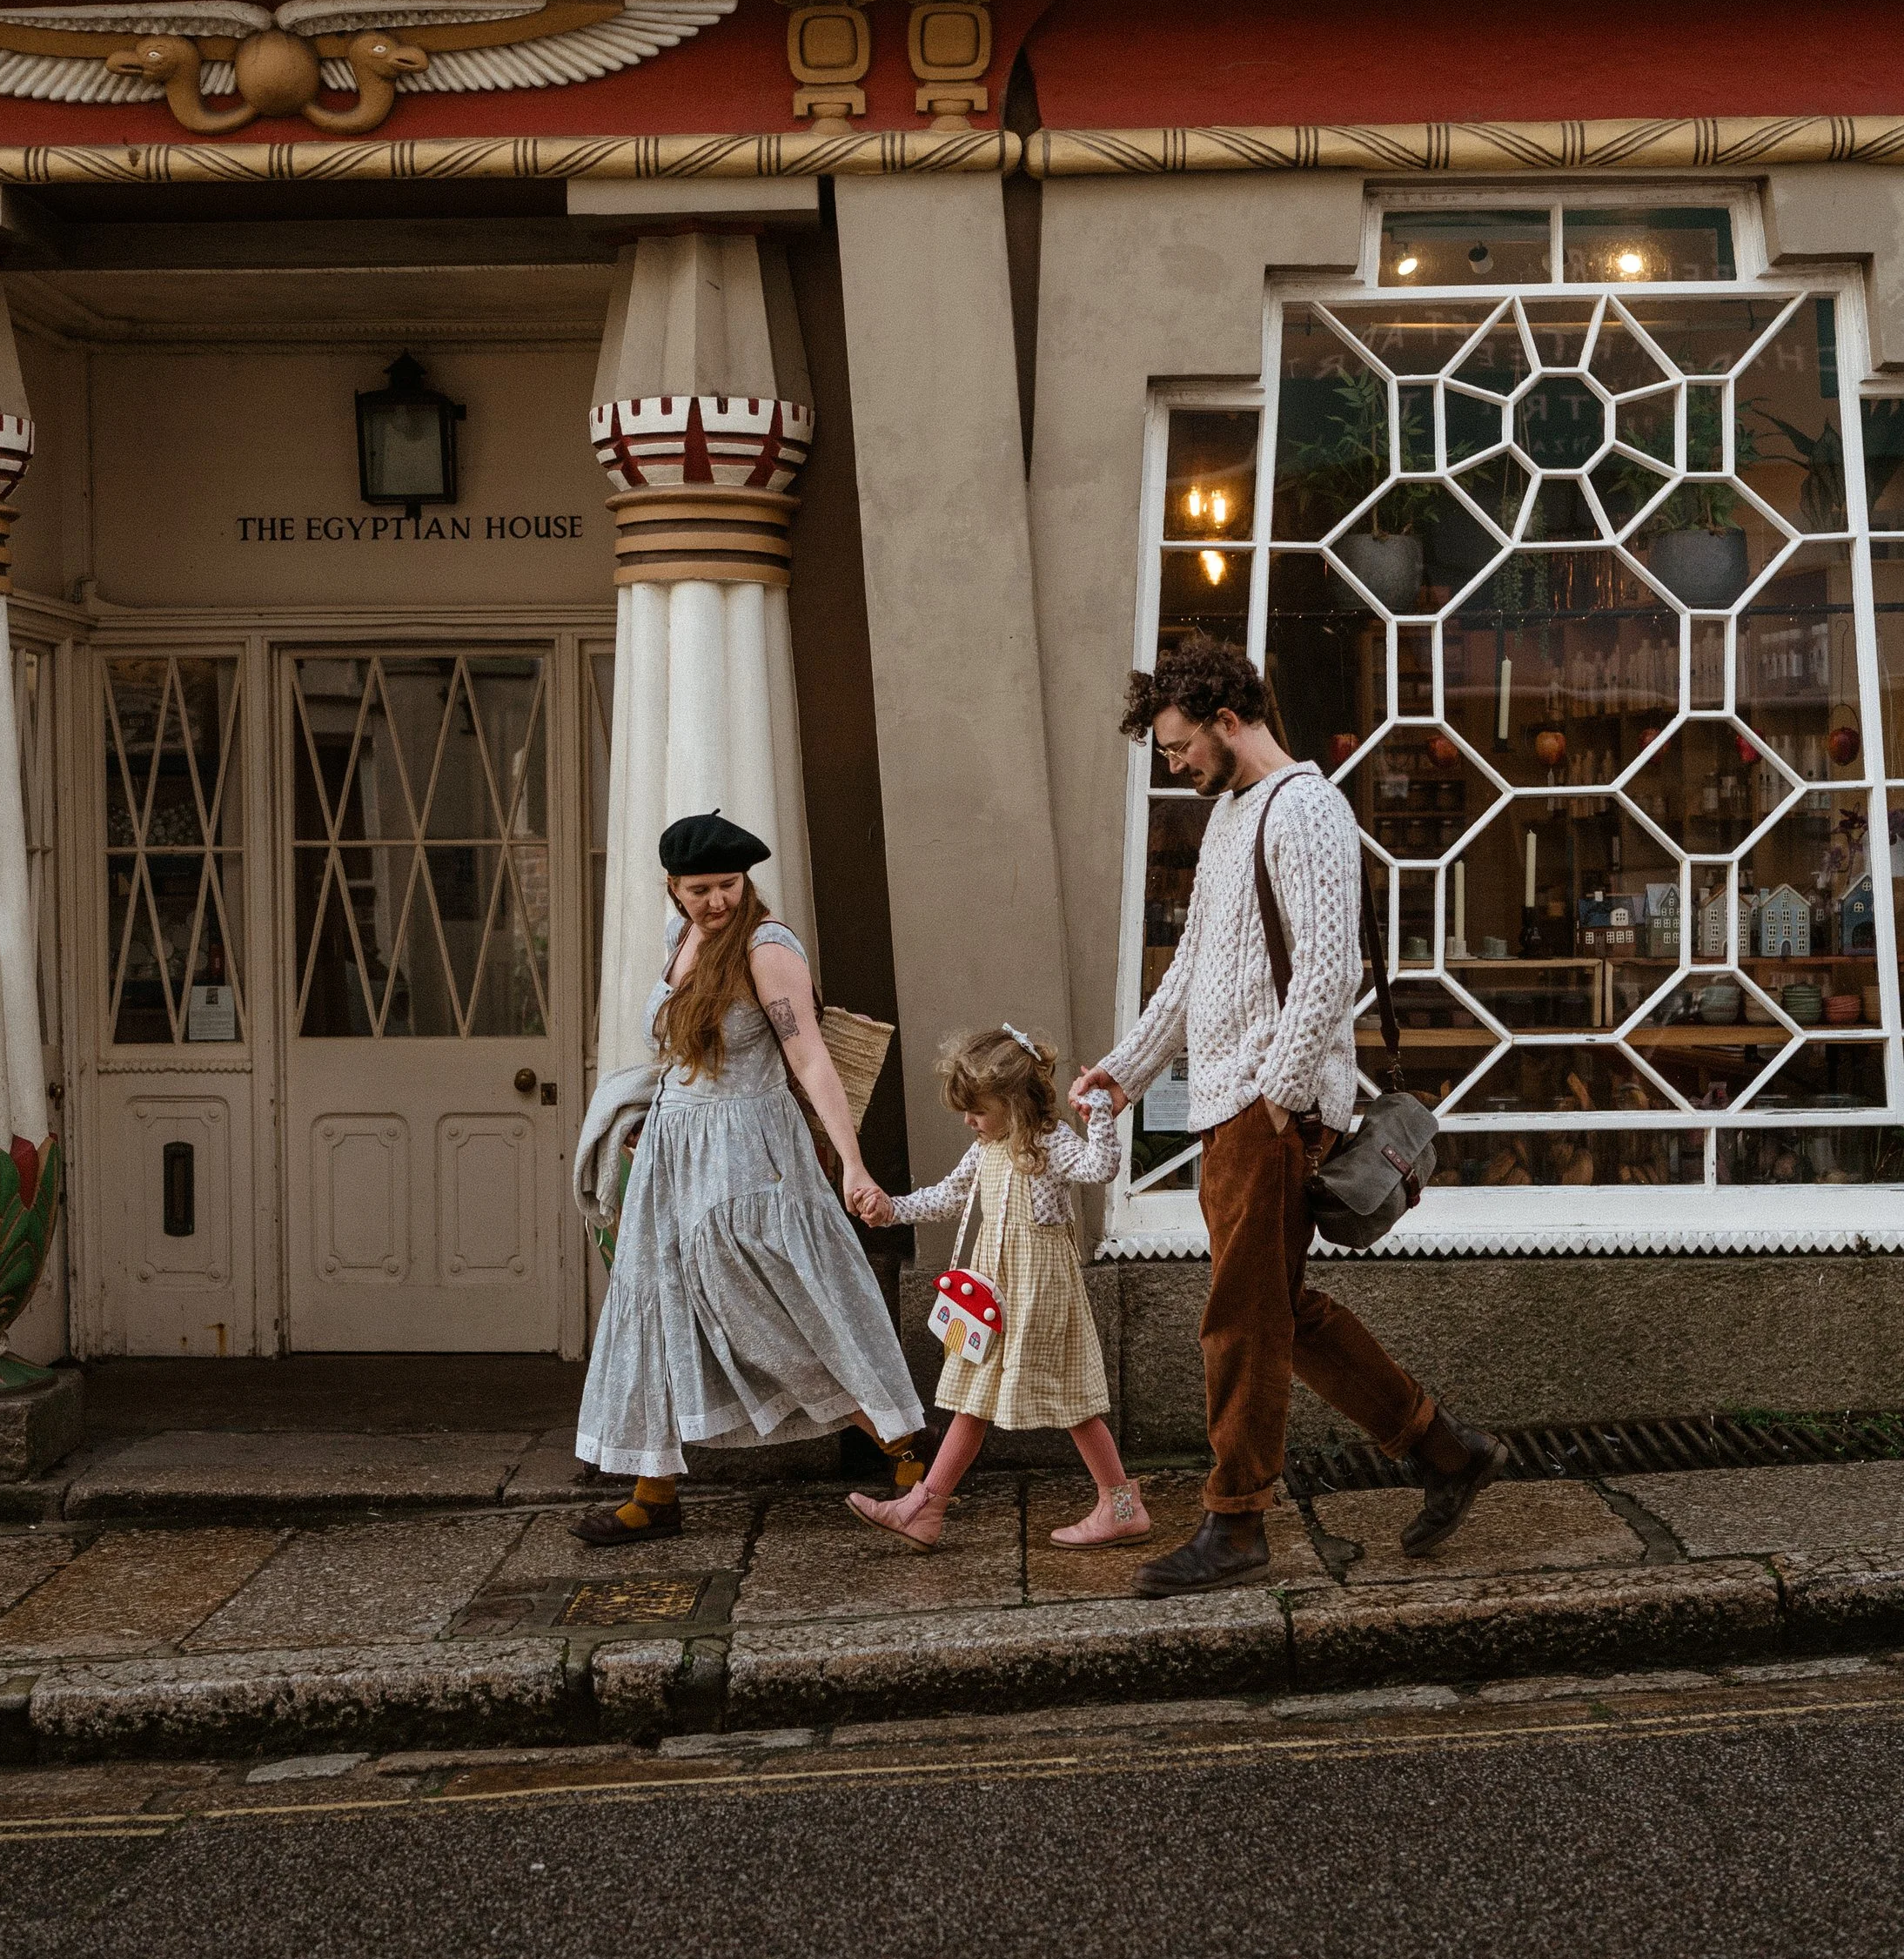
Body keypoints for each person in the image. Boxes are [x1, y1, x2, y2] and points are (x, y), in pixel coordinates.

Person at [1072, 637, 1505, 1597]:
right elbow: (1193, 969)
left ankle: (1235, 1524)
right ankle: (1446, 1450)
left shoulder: (1305, 806)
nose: (1175, 765)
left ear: (1229, 722)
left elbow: (1328, 968)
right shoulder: (1234, 813)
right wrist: (1124, 1072)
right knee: (1283, 1313)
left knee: (1240, 1320)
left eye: (1181, 746)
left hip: (1270, 1111)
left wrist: (1276, 1095)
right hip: (1239, 1106)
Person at [573, 811, 928, 1546]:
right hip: (674, 1154)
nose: (717, 901)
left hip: (748, 1158)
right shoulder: (680, 940)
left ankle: (908, 1453)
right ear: (673, 888)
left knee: (773, 1312)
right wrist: (647, 1125)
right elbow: (678, 1055)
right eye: (700, 888)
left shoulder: (767, 950)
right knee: (657, 1305)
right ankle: (653, 1491)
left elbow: (810, 1059)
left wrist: (853, 1163)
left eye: (728, 885)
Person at [848, 1025, 1150, 1552]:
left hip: (1041, 1292)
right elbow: (948, 1196)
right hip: (992, 1292)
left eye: (977, 1111)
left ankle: (1122, 1508)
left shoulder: (1048, 1141)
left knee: (1073, 1400)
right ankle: (924, 1508)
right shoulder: (986, 1147)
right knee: (972, 1397)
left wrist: (1100, 1112)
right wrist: (892, 1209)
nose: (969, 1121)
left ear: (1013, 1102)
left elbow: (1101, 1167)